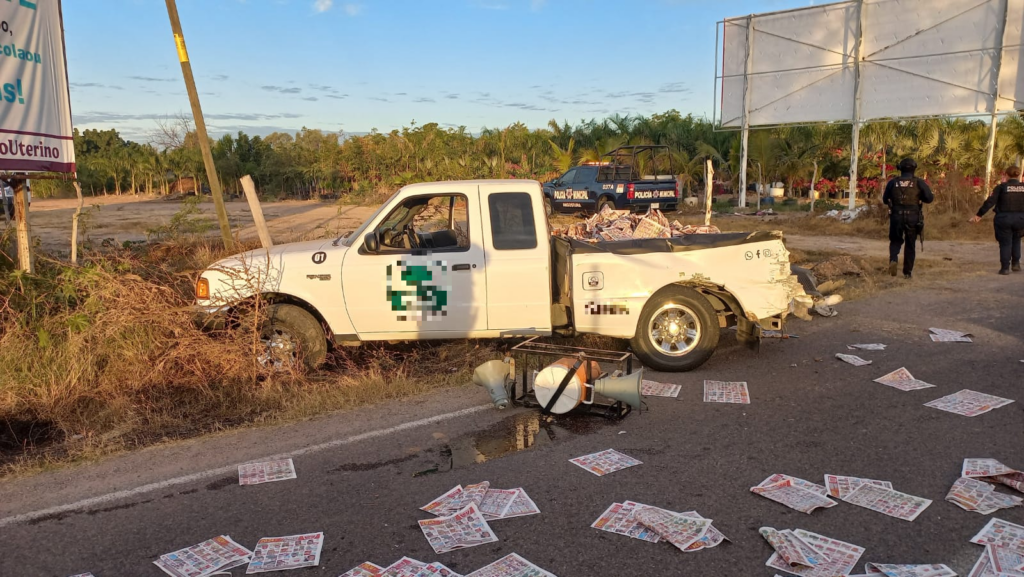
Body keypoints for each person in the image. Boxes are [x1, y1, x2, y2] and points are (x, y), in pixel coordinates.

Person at [882, 158, 934, 279]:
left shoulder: (892, 182)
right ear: (914, 169)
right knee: (910, 244)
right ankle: (907, 272)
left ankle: (893, 259)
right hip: (913, 216)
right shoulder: (918, 182)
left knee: (895, 241)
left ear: (900, 169)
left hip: (896, 216)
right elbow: (929, 199)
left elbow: (885, 200)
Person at [969, 166, 1024, 275]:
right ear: (1018, 175)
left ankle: (1005, 268)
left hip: (1004, 219)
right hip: (1021, 219)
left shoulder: (1001, 187)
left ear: (1006, 175)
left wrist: (979, 215)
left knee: (1005, 243)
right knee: (1016, 240)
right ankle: (1016, 264)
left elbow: (990, 202)